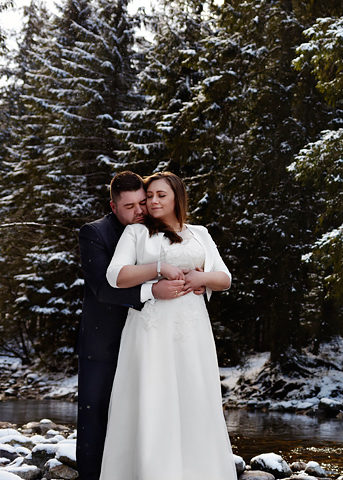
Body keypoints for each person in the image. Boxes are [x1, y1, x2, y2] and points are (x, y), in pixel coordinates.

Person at [100, 171, 235, 480]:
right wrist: (157, 268)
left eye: (161, 195)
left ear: (177, 198)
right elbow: (115, 275)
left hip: (192, 328)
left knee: (194, 395)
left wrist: (202, 278)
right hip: (151, 327)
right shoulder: (136, 233)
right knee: (153, 395)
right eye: (150, 196)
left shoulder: (199, 233)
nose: (153, 201)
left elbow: (224, 279)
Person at [76, 171, 193, 480]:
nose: (140, 210)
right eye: (129, 206)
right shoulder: (95, 233)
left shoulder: (154, 228)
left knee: (138, 413)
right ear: (113, 207)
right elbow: (103, 288)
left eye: (142, 202)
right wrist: (151, 290)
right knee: (95, 416)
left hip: (146, 337)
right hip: (103, 342)